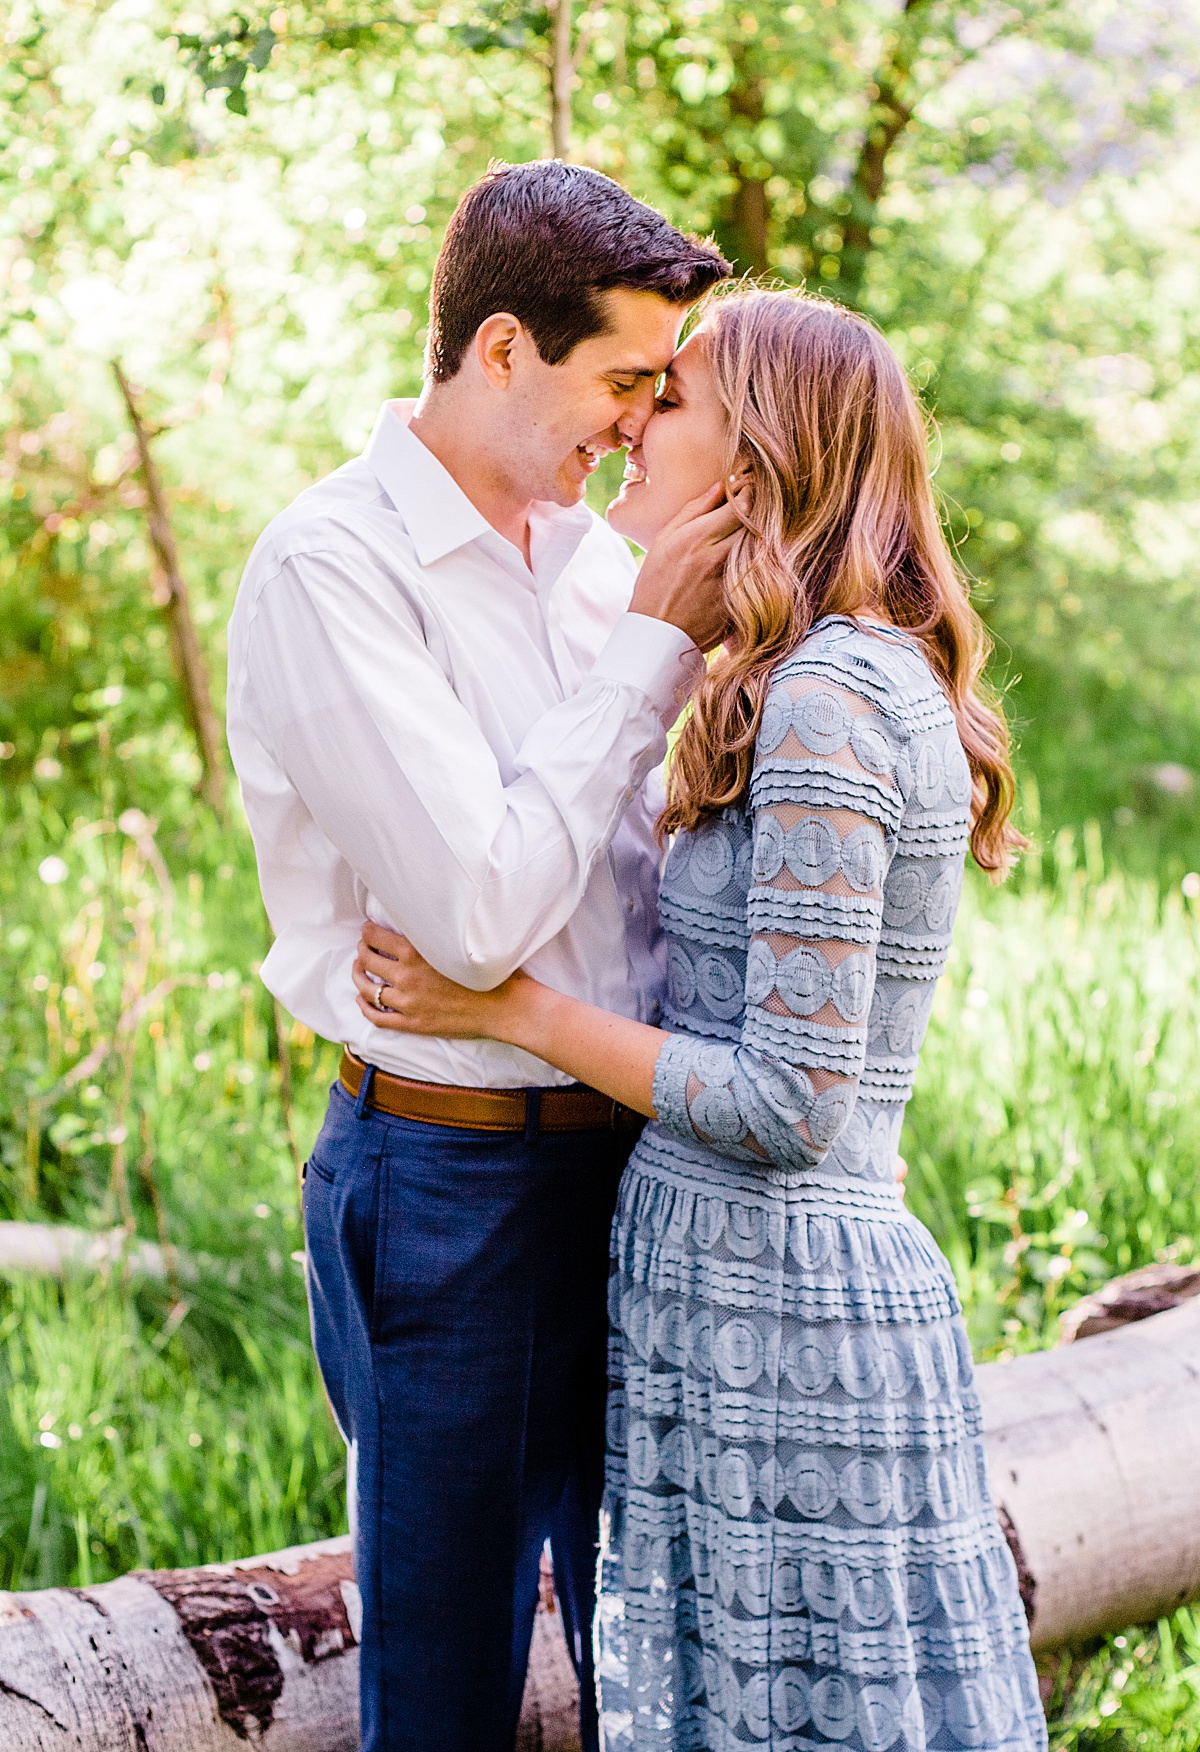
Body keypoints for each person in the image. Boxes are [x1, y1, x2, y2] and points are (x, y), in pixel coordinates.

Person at [353, 287, 1048, 1752]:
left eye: (669, 401)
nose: (631, 429)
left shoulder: (831, 698)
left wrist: (512, 1006)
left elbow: (795, 1104)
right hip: (720, 1297)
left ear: (754, 457)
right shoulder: (788, 676)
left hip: (789, 1305)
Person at [225, 160, 733, 1752]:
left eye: (662, 389)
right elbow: (480, 909)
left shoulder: (586, 556)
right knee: (444, 1693)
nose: (642, 423)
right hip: (453, 1192)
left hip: (648, 1179)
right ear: (503, 350)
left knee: (646, 1662)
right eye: (623, 381)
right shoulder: (335, 570)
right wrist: (660, 640)